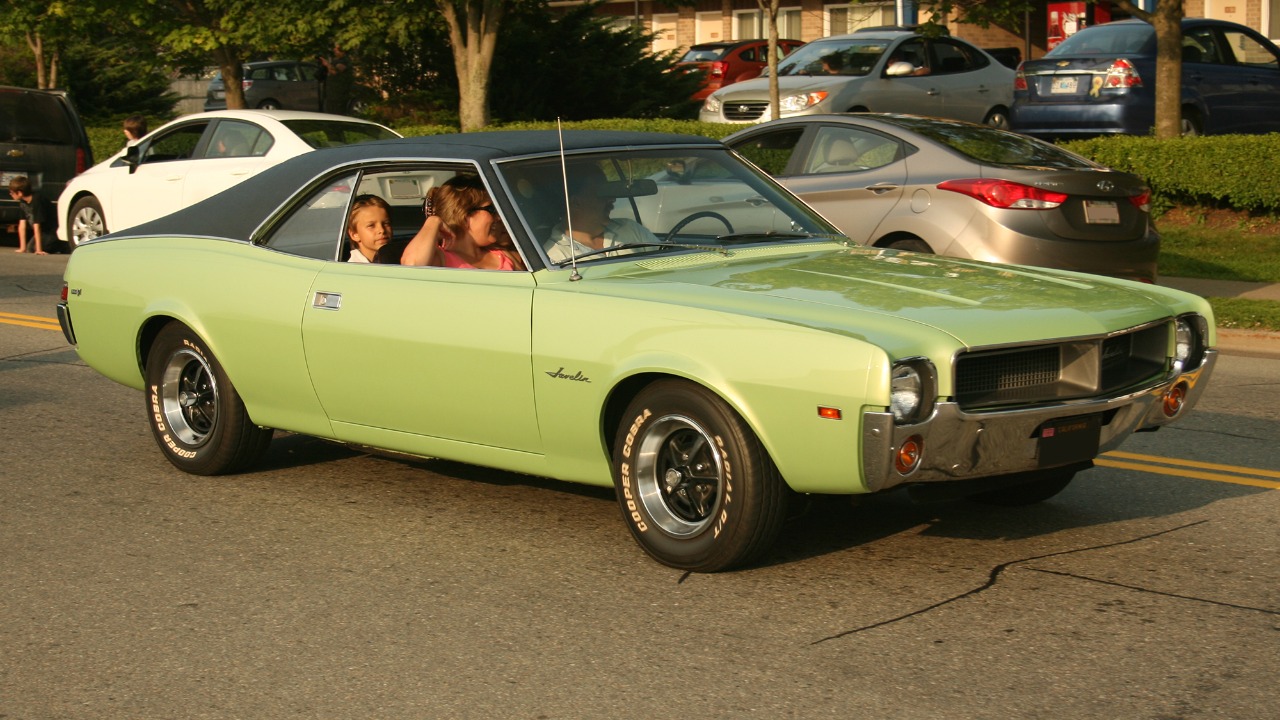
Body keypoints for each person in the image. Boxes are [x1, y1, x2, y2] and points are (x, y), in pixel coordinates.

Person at [400, 175, 523, 270]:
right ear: (464, 214)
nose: (499, 217)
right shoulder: (441, 258)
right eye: (491, 210)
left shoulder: (505, 256)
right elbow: (412, 265)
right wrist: (433, 222)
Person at [544, 163, 657, 264]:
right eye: (602, 192)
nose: (612, 199)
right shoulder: (554, 257)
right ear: (576, 202)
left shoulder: (630, 228)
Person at [345, 194, 393, 263]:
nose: (382, 230)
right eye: (371, 225)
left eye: (386, 223)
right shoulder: (352, 270)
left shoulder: (400, 258)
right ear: (354, 234)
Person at [9, 176, 49, 255]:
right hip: (42, 232)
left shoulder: (37, 200)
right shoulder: (23, 202)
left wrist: (39, 249)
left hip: (50, 231)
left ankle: (62, 245)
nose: (10, 194)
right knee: (30, 248)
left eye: (12, 192)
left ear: (20, 193)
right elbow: (22, 224)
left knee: (34, 248)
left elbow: (37, 225)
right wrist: (22, 248)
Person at [320, 44, 353, 114]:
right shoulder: (335, 60)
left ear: (342, 51)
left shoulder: (345, 60)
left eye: (336, 49)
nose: (334, 50)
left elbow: (336, 71)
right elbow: (330, 71)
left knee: (338, 111)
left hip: (339, 92)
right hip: (331, 92)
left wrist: (327, 64)